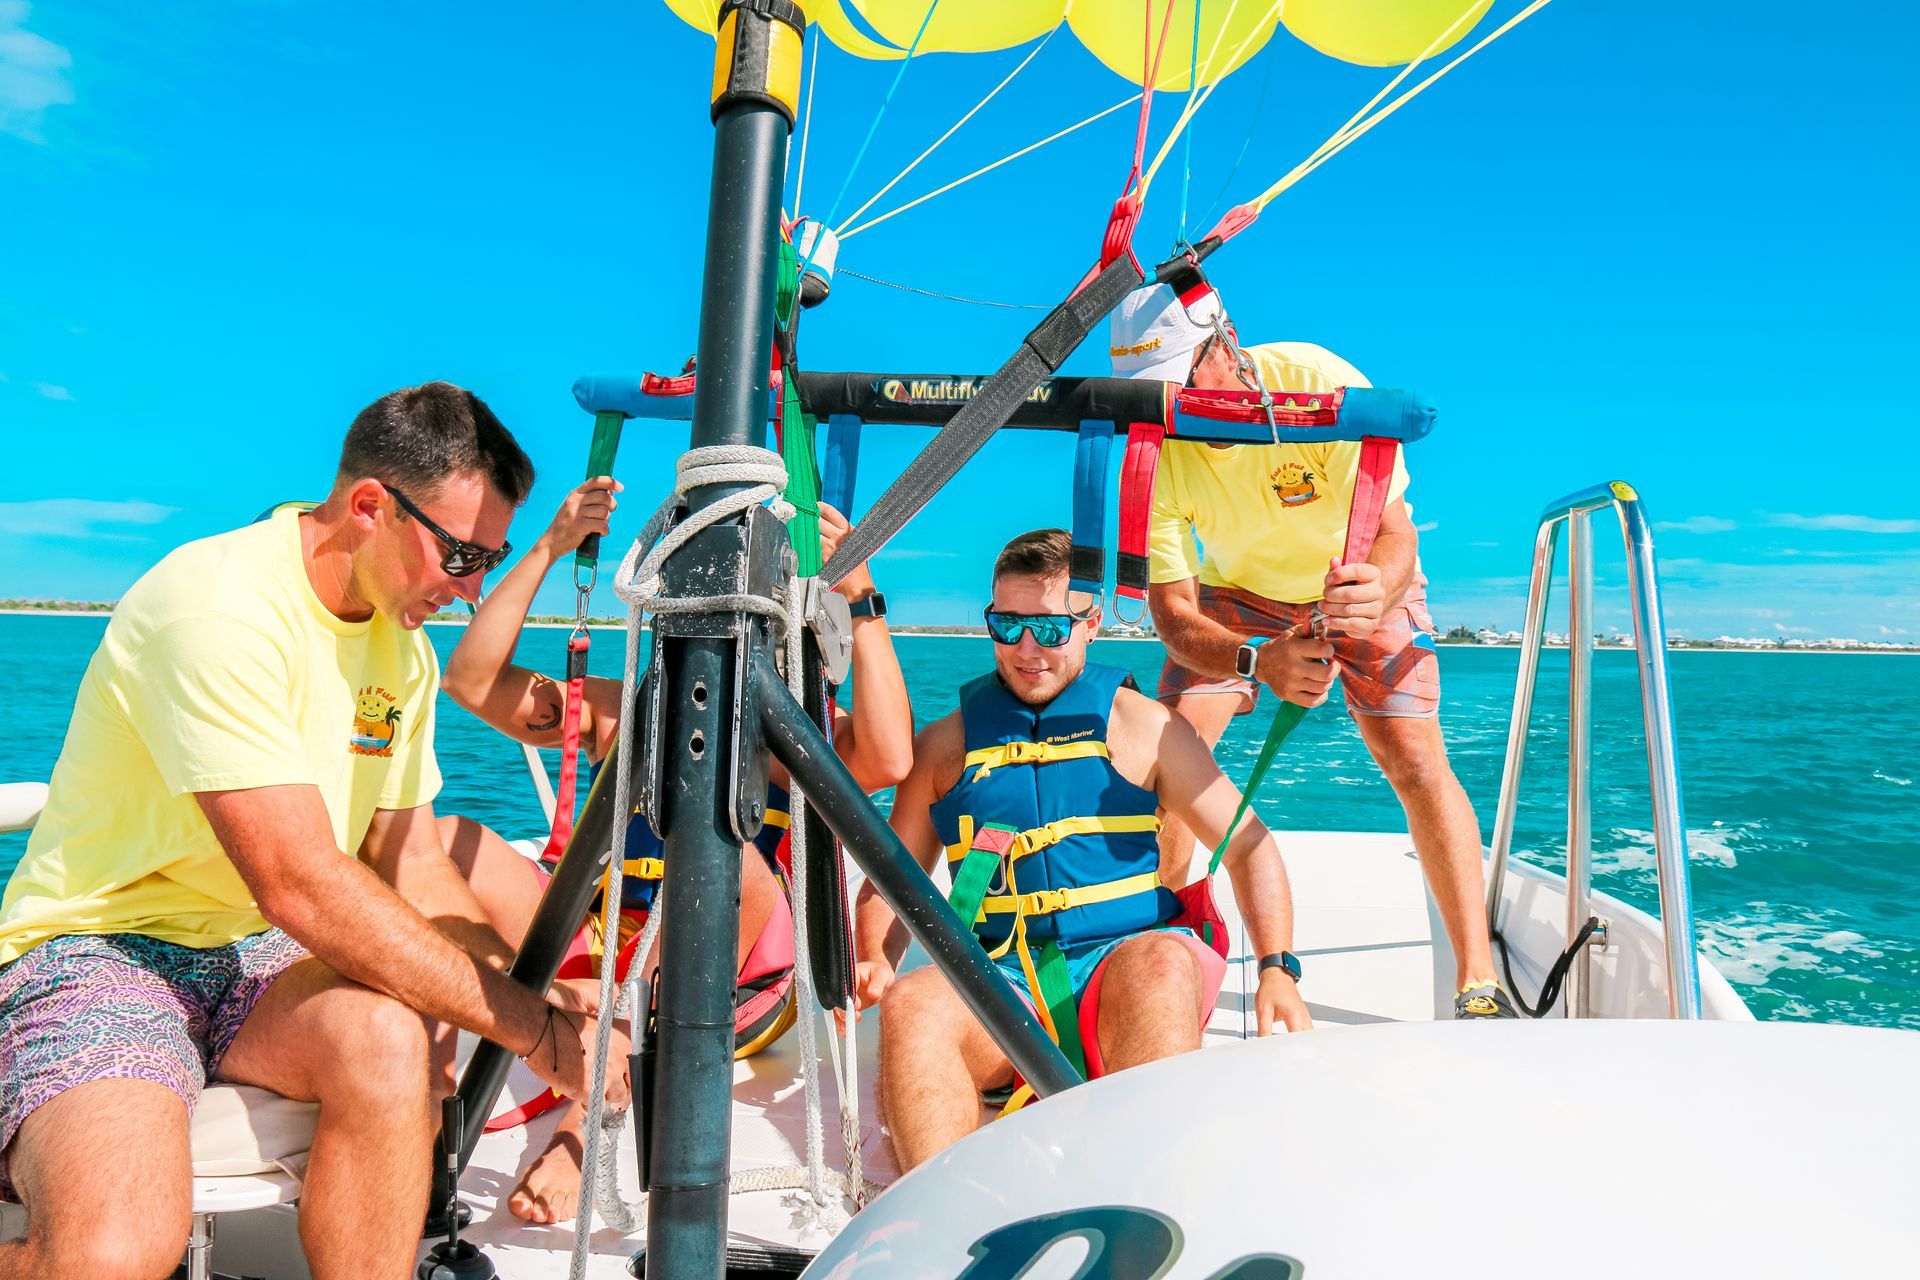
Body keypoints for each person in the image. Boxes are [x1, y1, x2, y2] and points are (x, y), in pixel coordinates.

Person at [0, 383, 592, 1279]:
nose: (473, 590)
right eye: (463, 555)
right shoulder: (218, 605)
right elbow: (301, 880)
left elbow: (413, 862)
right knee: (115, 1257)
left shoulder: (405, 648)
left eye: (493, 557)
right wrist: (533, 1033)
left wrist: (527, 993)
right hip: (103, 950)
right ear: (368, 508)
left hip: (259, 954)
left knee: (392, 1044)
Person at [439, 480, 914, 1223]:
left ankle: (584, 1119)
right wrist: (549, 547)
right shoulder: (620, 707)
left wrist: (860, 591)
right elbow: (470, 683)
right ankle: (459, 1034)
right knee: (445, 839)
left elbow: (889, 757)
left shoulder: (796, 735)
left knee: (727, 862)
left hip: (729, 975)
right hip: (599, 938)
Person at [1112, 281, 1517, 1019]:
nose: (1166, 404)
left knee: (1416, 760)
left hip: (1355, 567)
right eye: (1147, 390)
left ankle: (1478, 975)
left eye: (1178, 377)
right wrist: (1252, 661)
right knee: (1172, 753)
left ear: (1225, 342)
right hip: (1235, 590)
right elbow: (1173, 613)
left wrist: (1375, 593)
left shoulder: (1316, 380)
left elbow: (1395, 534)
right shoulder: (1155, 447)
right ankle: (1165, 933)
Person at [851, 529, 1311, 1172]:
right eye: (1006, 626)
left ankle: (1150, 1197)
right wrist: (874, 955)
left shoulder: (1147, 727)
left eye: (1049, 627)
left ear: (1090, 621)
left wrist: (1276, 968)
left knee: (1163, 963)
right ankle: (939, 1227)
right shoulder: (944, 746)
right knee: (912, 1005)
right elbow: (891, 878)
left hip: (1120, 976)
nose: (1027, 649)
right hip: (1001, 988)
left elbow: (1249, 848)